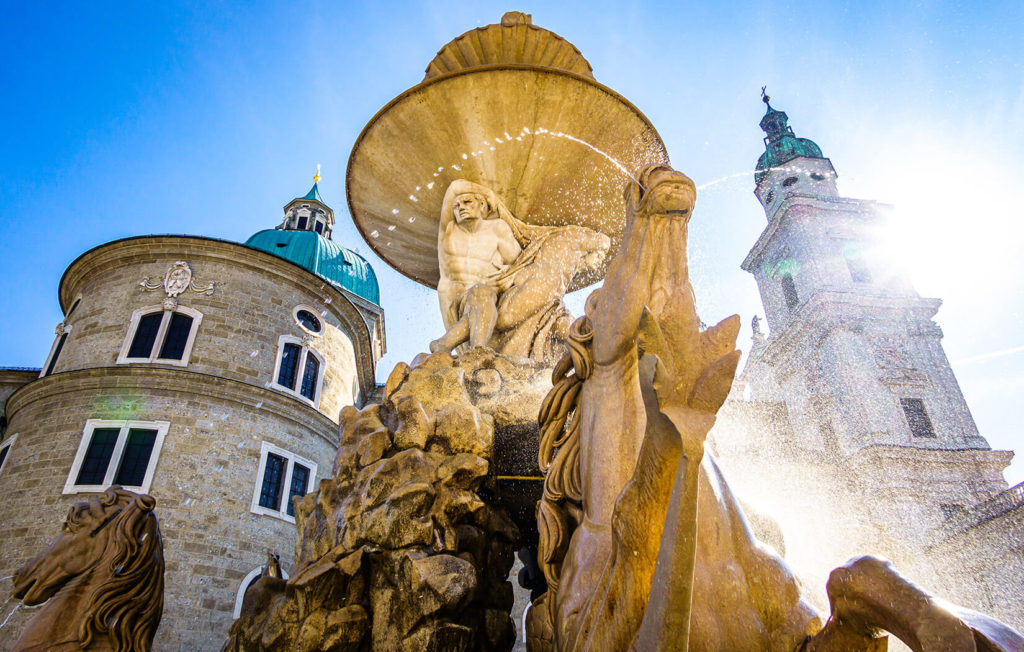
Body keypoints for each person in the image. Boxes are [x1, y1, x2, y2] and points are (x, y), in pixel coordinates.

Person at [430, 179, 609, 361]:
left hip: (493, 296)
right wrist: (492, 196)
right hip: (460, 301)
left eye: (467, 202)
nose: (460, 207)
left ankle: (461, 348)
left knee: (495, 293)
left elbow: (519, 262)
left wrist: (506, 279)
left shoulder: (497, 229)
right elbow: (454, 188)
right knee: (482, 292)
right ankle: (477, 354)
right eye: (457, 205)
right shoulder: (449, 230)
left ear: (482, 205)